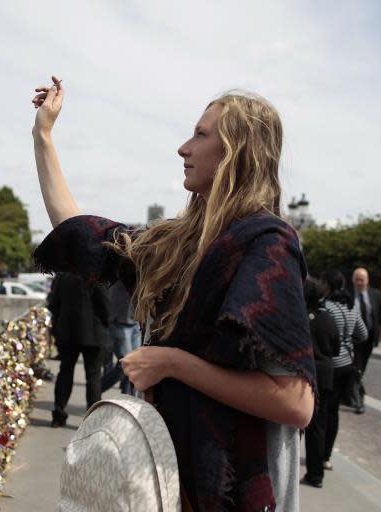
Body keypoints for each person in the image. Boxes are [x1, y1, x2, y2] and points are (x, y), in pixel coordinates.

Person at [31, 76, 315, 510]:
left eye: (200, 135)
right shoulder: (179, 244)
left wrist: (172, 363)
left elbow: (296, 402)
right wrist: (44, 137)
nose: (184, 148)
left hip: (236, 490)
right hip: (175, 476)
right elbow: (80, 232)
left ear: (237, 151)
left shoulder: (269, 244)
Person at [47, 272, 109, 428]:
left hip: (68, 332)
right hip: (93, 332)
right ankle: (93, 420)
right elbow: (105, 304)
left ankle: (58, 413)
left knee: (65, 372)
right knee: (93, 376)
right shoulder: (97, 273)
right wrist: (106, 323)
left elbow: (53, 303)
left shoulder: (63, 275)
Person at [320, 270, 367, 469]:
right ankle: (327, 455)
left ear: (328, 285)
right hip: (347, 364)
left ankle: (318, 454)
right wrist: (348, 340)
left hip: (330, 365)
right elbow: (363, 334)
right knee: (335, 412)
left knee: (322, 413)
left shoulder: (326, 307)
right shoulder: (351, 306)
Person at [301, 277, 340, 489]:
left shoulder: (301, 318)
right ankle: (317, 471)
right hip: (326, 375)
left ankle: (314, 474)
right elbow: (336, 347)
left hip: (307, 375)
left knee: (306, 427)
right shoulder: (328, 319)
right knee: (319, 426)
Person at [101, 280, 141, 395]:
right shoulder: (124, 267)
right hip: (120, 322)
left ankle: (128, 398)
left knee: (133, 366)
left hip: (135, 322)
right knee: (128, 364)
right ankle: (96, 389)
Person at [350, 268, 381, 377]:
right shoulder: (348, 294)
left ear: (367, 281)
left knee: (363, 363)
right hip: (353, 337)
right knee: (355, 364)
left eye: (362, 280)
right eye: (357, 280)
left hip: (370, 336)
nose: (359, 283)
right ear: (352, 280)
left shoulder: (375, 294)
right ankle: (355, 387)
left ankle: (357, 383)